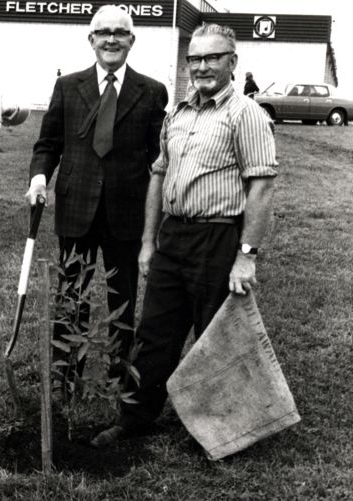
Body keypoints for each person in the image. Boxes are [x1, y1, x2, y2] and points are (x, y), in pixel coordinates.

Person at [92, 23, 278, 448]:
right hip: (173, 237)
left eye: (213, 57)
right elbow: (158, 174)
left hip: (218, 238)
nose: (202, 67)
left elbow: (262, 185)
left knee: (216, 337)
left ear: (232, 61)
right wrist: (147, 241)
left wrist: (246, 254)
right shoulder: (178, 113)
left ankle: (223, 428)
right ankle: (135, 416)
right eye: (195, 59)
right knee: (155, 331)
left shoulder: (245, 114)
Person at [25, 5, 168, 385]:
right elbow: (48, 143)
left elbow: (160, 157)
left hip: (127, 211)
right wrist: (40, 178)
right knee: (71, 296)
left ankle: (121, 380)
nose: (111, 39)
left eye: (120, 32)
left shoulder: (152, 91)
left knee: (123, 300)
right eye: (103, 32)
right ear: (91, 40)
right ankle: (64, 380)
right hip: (76, 208)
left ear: (131, 41)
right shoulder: (68, 86)